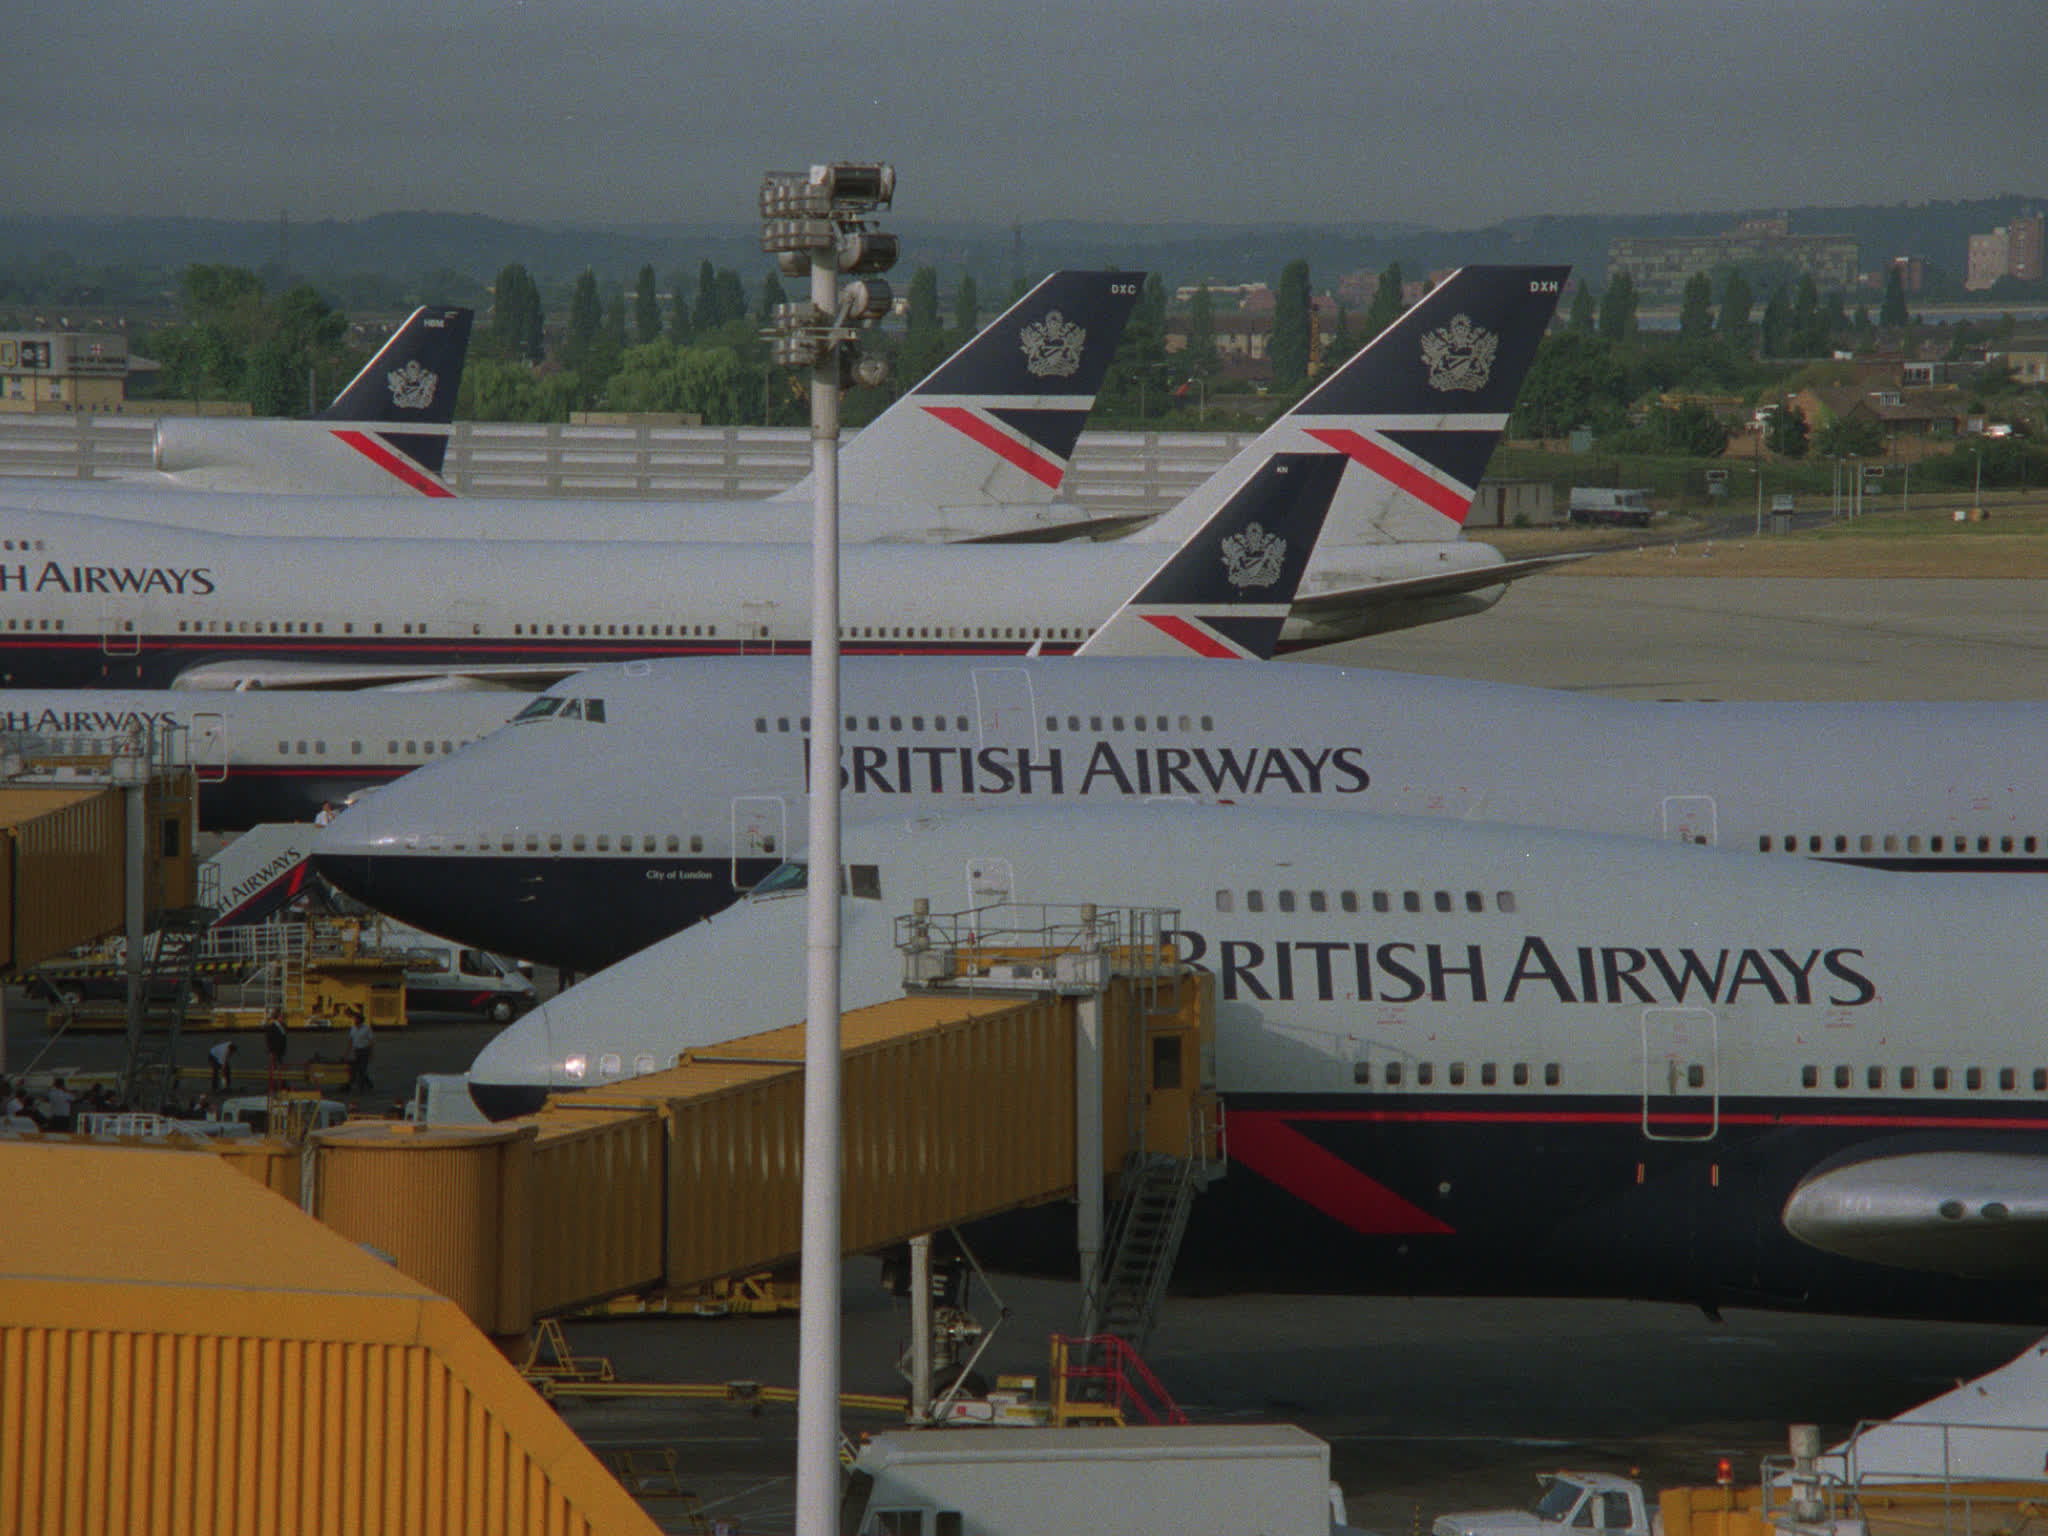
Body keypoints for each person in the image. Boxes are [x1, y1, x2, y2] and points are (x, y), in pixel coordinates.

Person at [347, 1013, 375, 1094]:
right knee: (357, 1068)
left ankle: (361, 1087)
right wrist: (347, 1052)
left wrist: (371, 1054)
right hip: (356, 1050)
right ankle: (369, 1084)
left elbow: (371, 1041)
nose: (354, 1021)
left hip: (364, 1050)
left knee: (362, 1068)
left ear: (360, 1020)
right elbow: (350, 1040)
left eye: (356, 1019)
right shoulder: (353, 1028)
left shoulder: (367, 1029)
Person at [263, 1009, 289, 1078]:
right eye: (282, 1017)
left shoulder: (284, 1026)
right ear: (278, 1017)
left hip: (281, 1051)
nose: (284, 1019)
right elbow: (269, 1040)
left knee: (281, 1070)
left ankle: (281, 1082)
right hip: (274, 1052)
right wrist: (271, 1051)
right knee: (274, 1070)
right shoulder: (271, 1027)